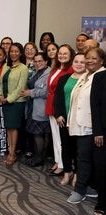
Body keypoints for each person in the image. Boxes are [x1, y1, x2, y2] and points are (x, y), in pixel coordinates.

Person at [67, 48, 105, 204]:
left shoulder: (102, 76)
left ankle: (80, 189)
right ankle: (89, 187)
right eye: (87, 58)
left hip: (93, 126)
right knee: (83, 157)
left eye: (93, 58)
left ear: (102, 60)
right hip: (80, 123)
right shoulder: (84, 75)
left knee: (85, 158)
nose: (89, 61)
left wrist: (99, 130)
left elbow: (101, 106)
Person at [54, 53, 86, 185]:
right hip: (64, 119)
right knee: (65, 147)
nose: (78, 64)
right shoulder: (63, 78)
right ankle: (67, 173)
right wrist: (59, 114)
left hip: (79, 120)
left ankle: (78, 174)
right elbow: (58, 98)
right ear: (72, 63)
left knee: (78, 149)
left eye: (82, 62)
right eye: (76, 61)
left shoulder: (88, 79)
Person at [0, 43, 28, 165]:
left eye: (16, 51)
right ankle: (11, 150)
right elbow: (0, 82)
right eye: (11, 51)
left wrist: (8, 99)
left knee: (13, 127)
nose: (13, 53)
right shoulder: (6, 65)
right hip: (4, 101)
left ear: (20, 53)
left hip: (16, 103)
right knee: (8, 127)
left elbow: (20, 87)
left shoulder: (23, 68)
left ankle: (12, 153)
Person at [45, 44, 74, 176]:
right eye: (60, 53)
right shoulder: (56, 67)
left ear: (70, 55)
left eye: (65, 53)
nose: (62, 55)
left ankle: (63, 165)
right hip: (52, 104)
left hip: (60, 107)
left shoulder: (71, 70)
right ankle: (58, 161)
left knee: (61, 138)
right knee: (55, 137)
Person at [20, 53, 51, 167]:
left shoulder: (49, 73)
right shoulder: (36, 72)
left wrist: (30, 92)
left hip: (41, 107)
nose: (37, 63)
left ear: (46, 61)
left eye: (40, 61)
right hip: (32, 107)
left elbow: (45, 92)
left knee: (40, 134)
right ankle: (38, 156)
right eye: (36, 61)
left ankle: (39, 158)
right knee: (35, 134)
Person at [90, 49, 106, 215]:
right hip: (102, 131)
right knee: (101, 167)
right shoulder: (99, 77)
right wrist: (98, 131)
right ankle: (102, 202)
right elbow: (95, 107)